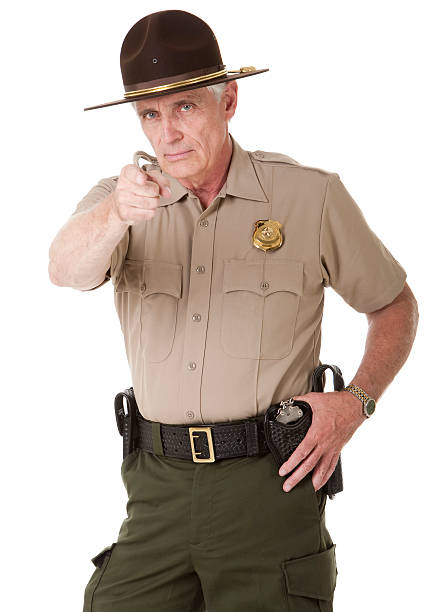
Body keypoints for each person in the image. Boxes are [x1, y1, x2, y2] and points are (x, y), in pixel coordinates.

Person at [48, 9, 419, 612]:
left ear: (230, 101)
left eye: (186, 107)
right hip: (155, 488)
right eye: (150, 114)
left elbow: (394, 304)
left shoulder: (310, 196)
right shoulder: (120, 203)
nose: (167, 133)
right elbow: (63, 269)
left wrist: (357, 402)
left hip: (271, 486)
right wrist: (116, 213)